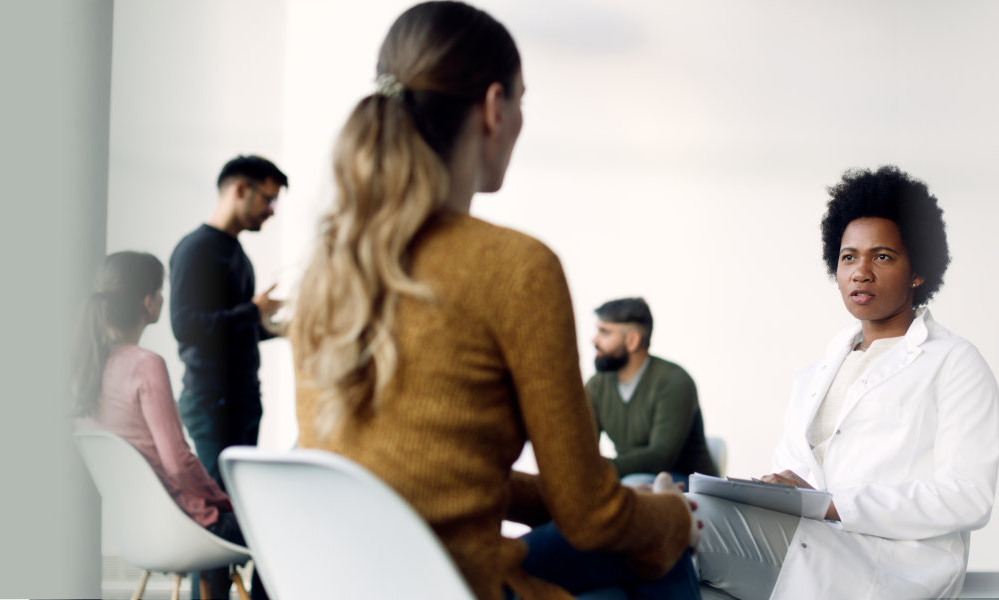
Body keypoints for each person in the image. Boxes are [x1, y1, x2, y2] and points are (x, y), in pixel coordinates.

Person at [287, 3, 700, 599]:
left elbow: (423, 473)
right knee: (662, 554)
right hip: (458, 587)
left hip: (356, 584)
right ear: (492, 108)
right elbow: (592, 517)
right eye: (523, 101)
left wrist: (577, 500)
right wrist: (673, 516)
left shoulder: (329, 269)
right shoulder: (517, 269)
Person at [690, 166, 999, 600]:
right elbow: (797, 474)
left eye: (883, 256)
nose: (861, 272)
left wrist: (833, 503)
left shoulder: (954, 362)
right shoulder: (816, 374)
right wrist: (767, 491)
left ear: (918, 271)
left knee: (684, 524)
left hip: (890, 567)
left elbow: (968, 496)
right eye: (849, 257)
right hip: (807, 545)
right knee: (673, 557)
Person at [71, 252, 270, 600]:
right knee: (279, 529)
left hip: (137, 531)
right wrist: (225, 500)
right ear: (148, 301)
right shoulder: (146, 364)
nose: (164, 297)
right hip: (186, 524)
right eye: (161, 290)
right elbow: (178, 462)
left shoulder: (88, 369)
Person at [168, 155, 288, 489]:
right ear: (240, 189)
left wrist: (277, 327)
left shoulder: (237, 253)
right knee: (223, 507)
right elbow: (186, 326)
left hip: (242, 401)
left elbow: (228, 330)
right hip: (213, 405)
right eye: (268, 198)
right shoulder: (196, 249)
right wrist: (252, 310)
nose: (272, 210)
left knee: (242, 503)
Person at [585, 297, 719, 487]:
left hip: (687, 485)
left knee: (632, 485)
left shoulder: (675, 381)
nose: (594, 340)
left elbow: (660, 458)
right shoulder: (596, 385)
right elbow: (582, 446)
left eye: (605, 332)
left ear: (632, 340)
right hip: (631, 480)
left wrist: (598, 467)